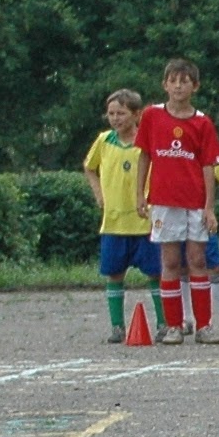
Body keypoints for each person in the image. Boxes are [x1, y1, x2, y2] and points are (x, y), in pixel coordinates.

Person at [133, 59, 219, 345]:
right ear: (165, 84)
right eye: (173, 81)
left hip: (195, 201)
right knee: (170, 261)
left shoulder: (202, 122)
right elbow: (145, 155)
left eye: (184, 82)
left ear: (195, 86)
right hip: (164, 200)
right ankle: (173, 325)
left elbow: (208, 165)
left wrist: (209, 206)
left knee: (197, 260)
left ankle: (204, 326)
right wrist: (140, 194)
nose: (178, 86)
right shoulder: (152, 116)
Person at [83, 88, 155, 343]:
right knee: (114, 274)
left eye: (121, 113)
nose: (115, 118)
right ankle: (117, 327)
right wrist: (99, 194)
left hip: (144, 221)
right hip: (114, 221)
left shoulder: (147, 141)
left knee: (156, 273)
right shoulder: (104, 141)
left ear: (136, 114)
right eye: (111, 114)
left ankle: (165, 323)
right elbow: (89, 167)